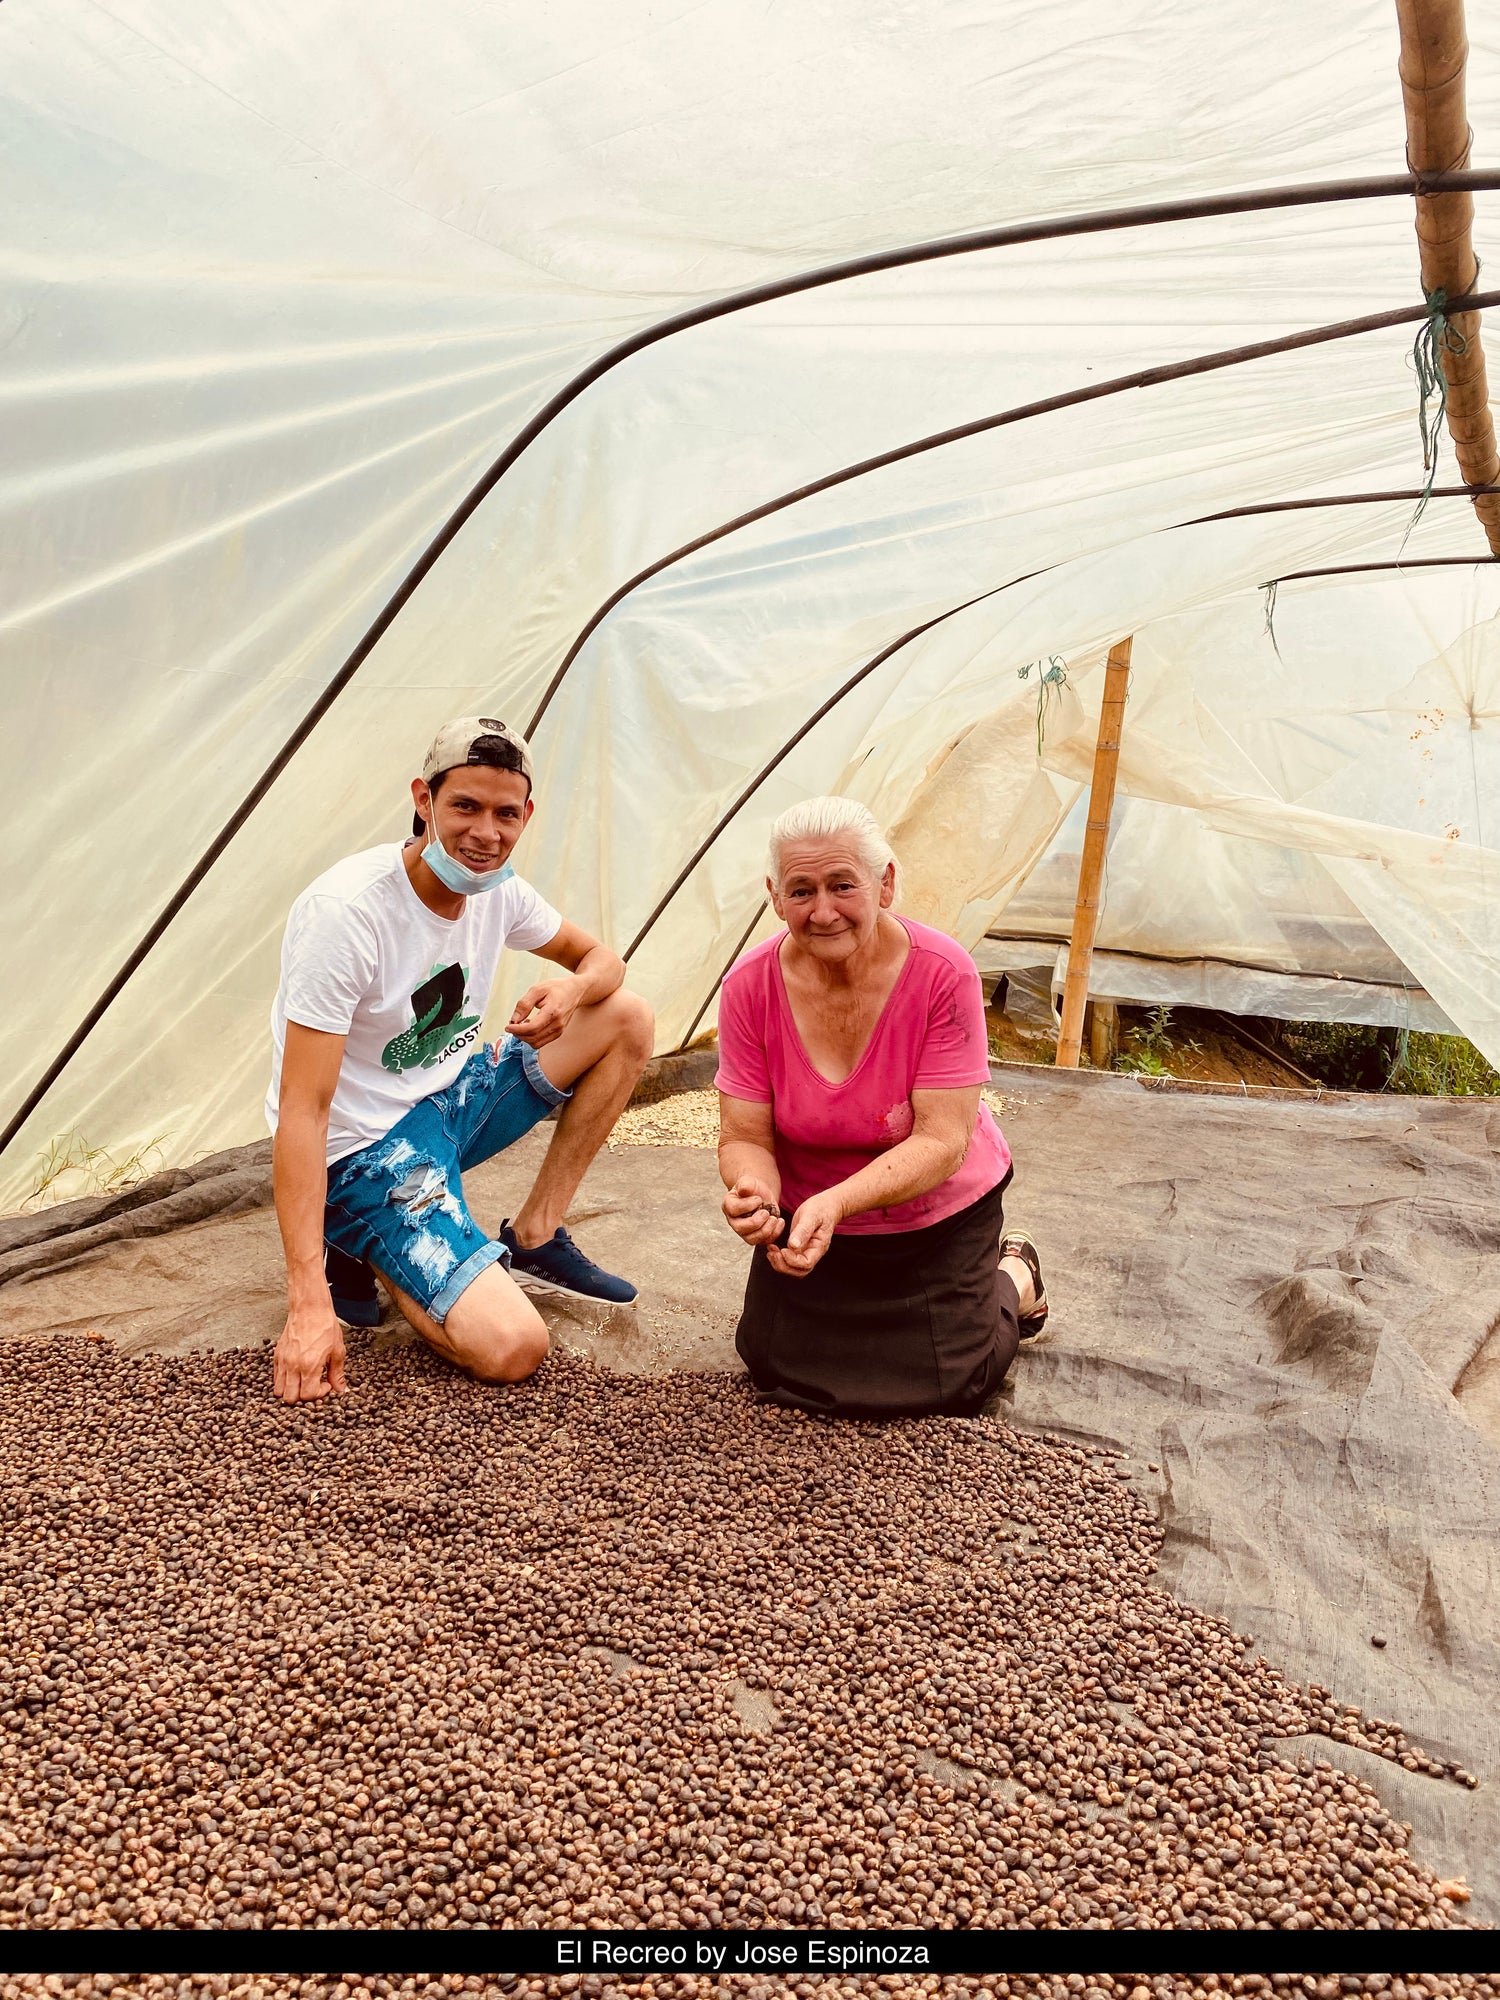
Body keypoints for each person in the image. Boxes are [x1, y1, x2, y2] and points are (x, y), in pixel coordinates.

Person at [267, 716, 654, 1405]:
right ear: (423, 799)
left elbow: (606, 963)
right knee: (512, 1346)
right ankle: (352, 1239)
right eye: (464, 807)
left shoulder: (499, 891)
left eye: (506, 814)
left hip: (451, 1099)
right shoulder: (348, 912)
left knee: (626, 1017)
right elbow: (304, 1108)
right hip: (368, 1147)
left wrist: (573, 989)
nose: (486, 833)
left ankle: (534, 1234)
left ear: (526, 815)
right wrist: (307, 1304)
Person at [715, 796, 1048, 1418]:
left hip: (931, 1210)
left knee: (956, 1382)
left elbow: (942, 1142)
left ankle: (1016, 1277)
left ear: (885, 884)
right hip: (811, 1216)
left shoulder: (944, 974)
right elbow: (743, 1135)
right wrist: (756, 1194)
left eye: (843, 885)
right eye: (800, 890)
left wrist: (837, 1202)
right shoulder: (747, 988)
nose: (823, 911)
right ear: (773, 895)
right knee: (769, 1360)